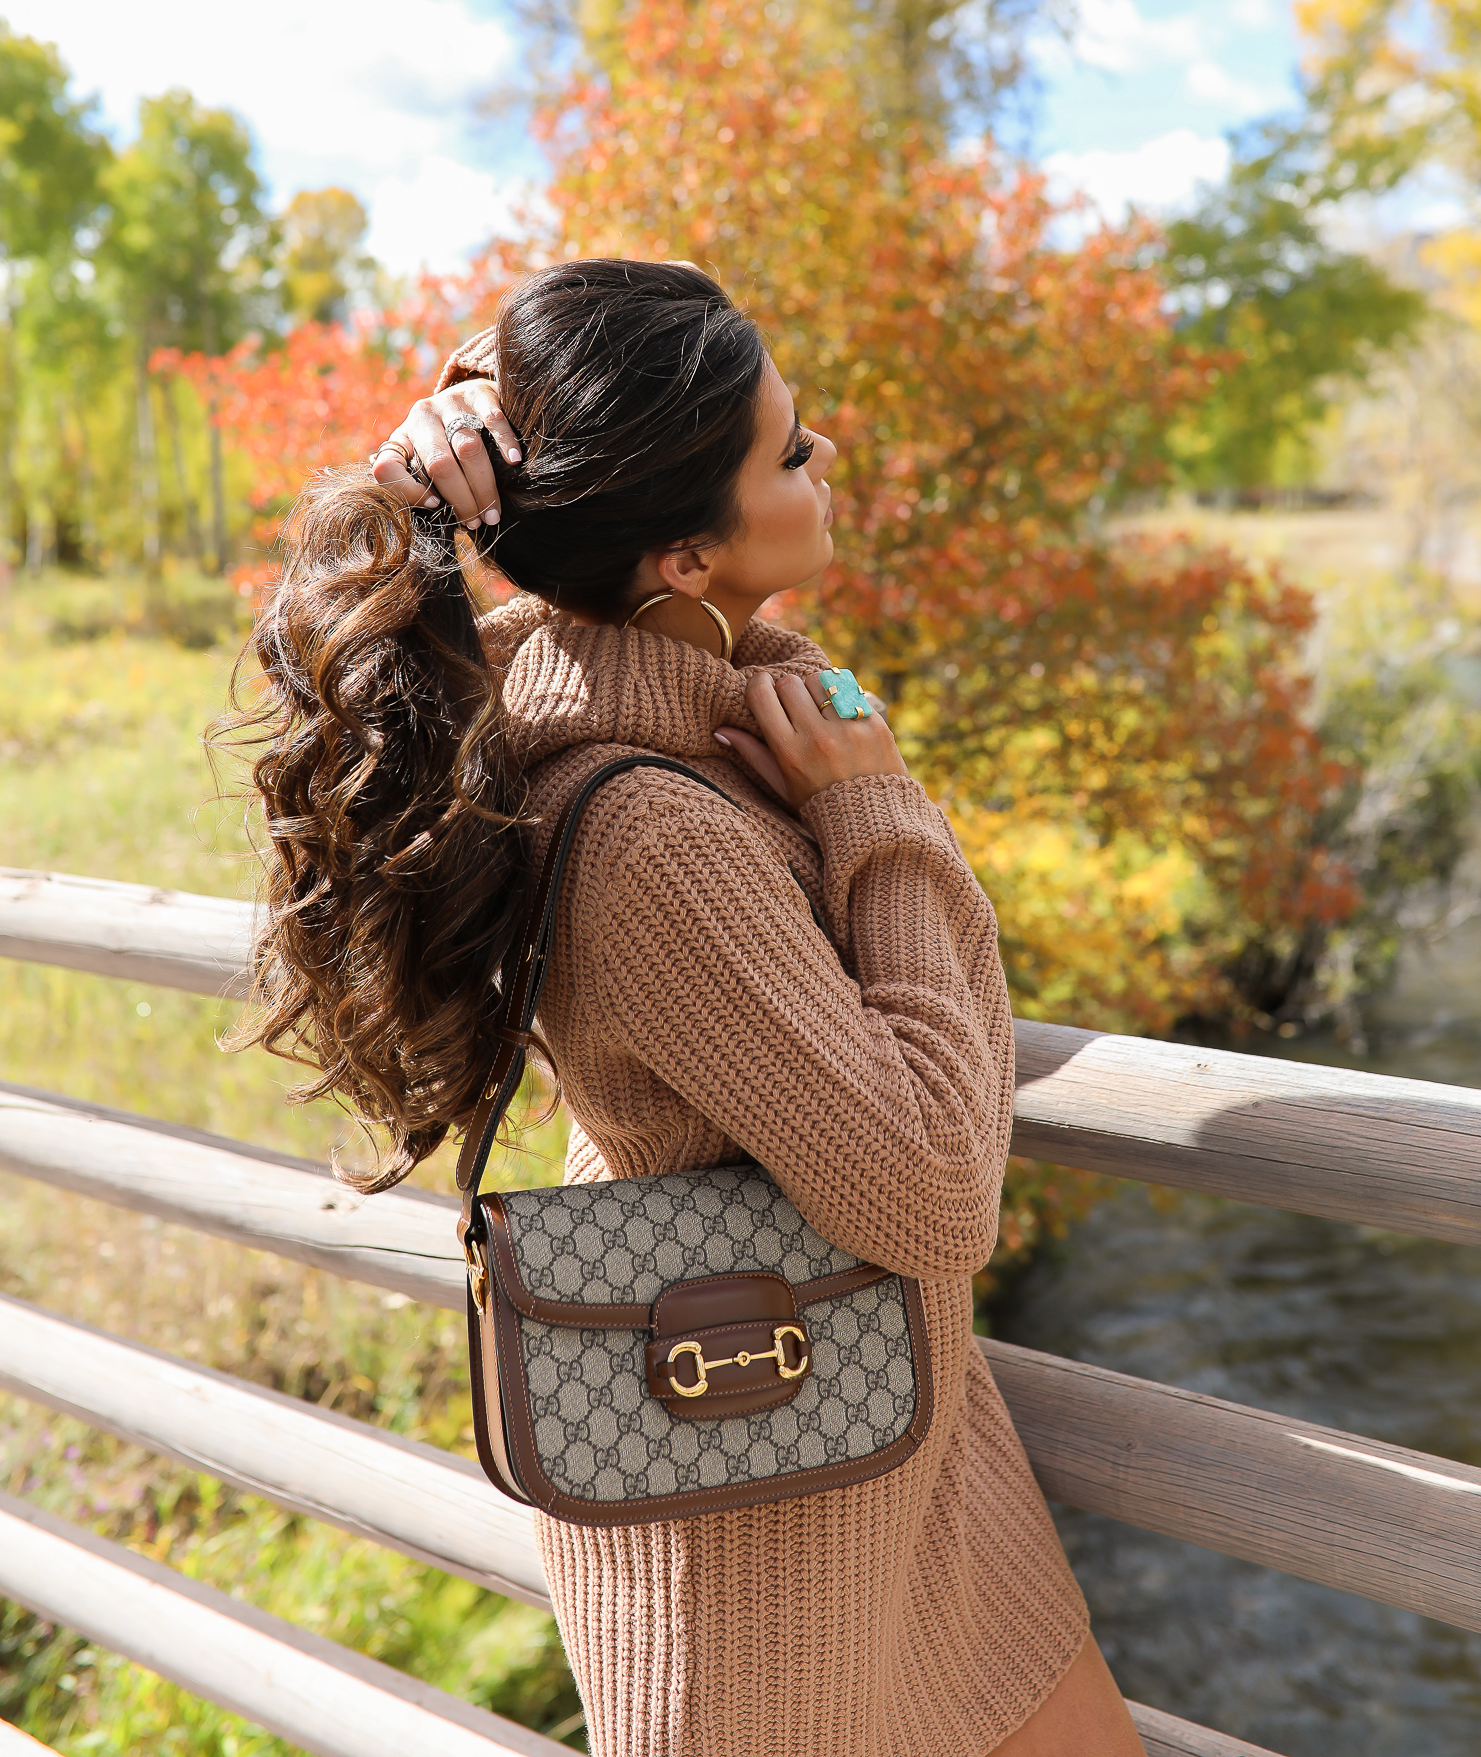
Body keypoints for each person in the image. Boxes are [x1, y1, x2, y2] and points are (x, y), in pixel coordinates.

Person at [240, 258, 1145, 1757]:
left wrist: (473, 429)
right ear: (678, 557)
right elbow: (930, 1192)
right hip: (757, 1507)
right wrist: (878, 815)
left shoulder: (688, 704)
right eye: (788, 451)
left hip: (898, 1442)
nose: (826, 456)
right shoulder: (665, 839)